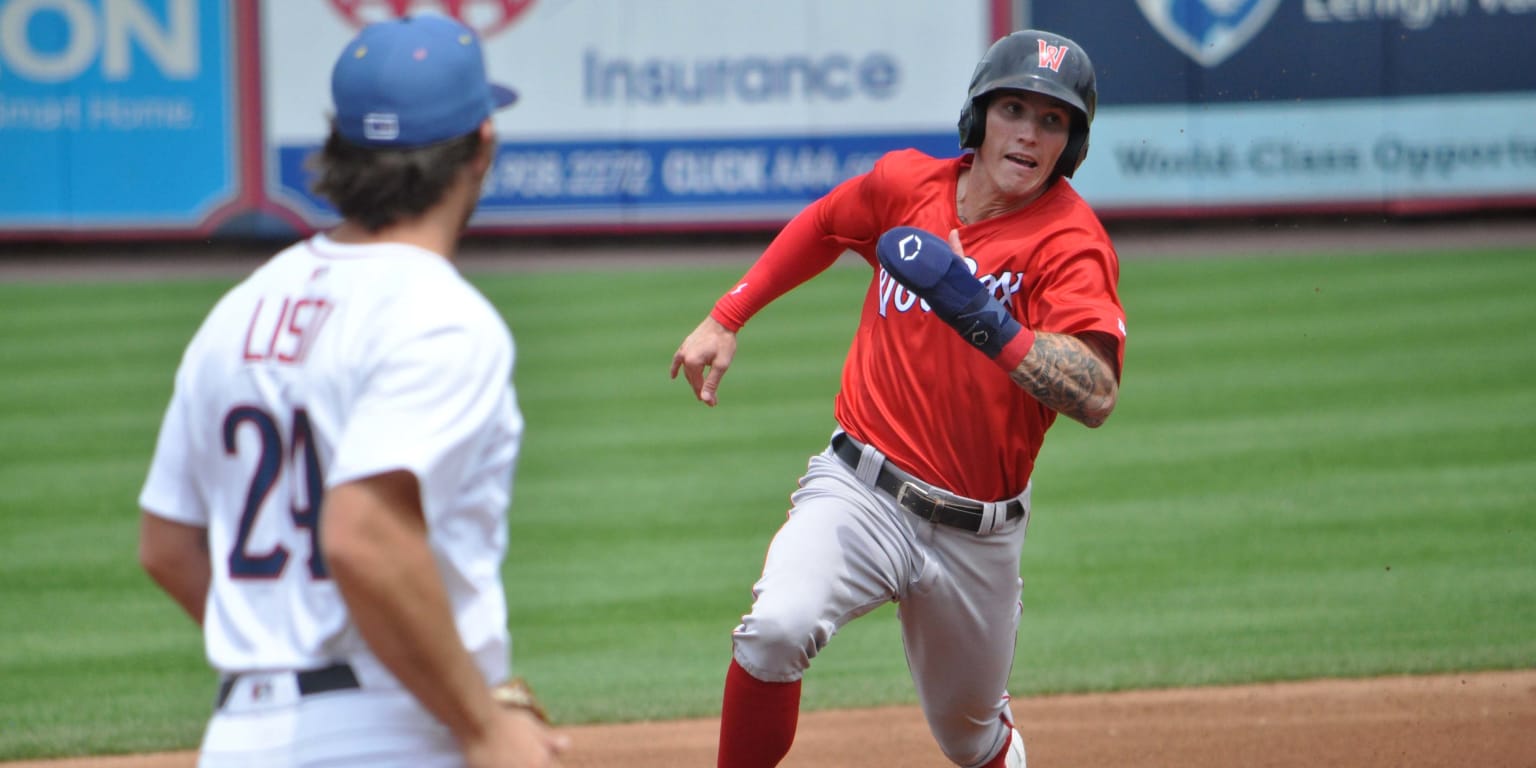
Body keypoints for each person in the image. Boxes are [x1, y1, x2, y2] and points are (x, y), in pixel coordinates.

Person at [670, 29, 1125, 768]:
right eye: (1015, 109)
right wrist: (728, 315)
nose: (1030, 134)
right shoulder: (905, 185)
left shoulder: (1070, 241)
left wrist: (987, 322)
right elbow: (824, 222)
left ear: (1070, 145)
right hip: (862, 490)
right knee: (777, 629)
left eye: (1053, 121)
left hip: (979, 532)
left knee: (970, 737)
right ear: (980, 117)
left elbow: (1096, 393)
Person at [137, 14, 567, 768]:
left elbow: (167, 545)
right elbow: (361, 536)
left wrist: (277, 652)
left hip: (239, 735)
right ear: (482, 147)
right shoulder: (441, 316)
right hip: (389, 731)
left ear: (340, 150)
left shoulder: (240, 307)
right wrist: (481, 725)